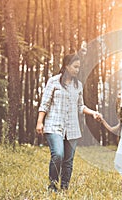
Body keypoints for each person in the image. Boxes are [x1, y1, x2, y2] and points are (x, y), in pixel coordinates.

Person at [36, 53, 101, 192]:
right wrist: (40, 122)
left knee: (68, 161)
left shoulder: (78, 86)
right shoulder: (53, 81)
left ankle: (64, 188)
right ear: (66, 66)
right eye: (75, 67)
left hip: (72, 128)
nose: (77, 70)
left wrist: (93, 113)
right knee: (58, 154)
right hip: (54, 125)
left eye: (79, 67)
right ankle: (52, 186)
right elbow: (45, 104)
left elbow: (80, 106)